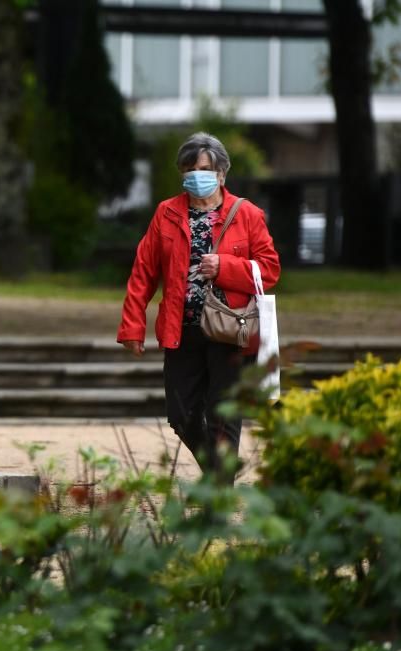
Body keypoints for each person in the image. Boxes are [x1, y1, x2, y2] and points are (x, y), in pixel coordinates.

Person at [117, 132, 280, 484]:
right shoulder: (167, 213)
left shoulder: (247, 214)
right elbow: (143, 271)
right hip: (182, 329)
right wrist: (132, 326)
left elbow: (269, 270)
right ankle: (219, 474)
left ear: (221, 173)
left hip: (230, 330)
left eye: (204, 169)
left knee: (224, 415)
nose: (196, 176)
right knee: (181, 414)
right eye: (189, 169)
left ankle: (218, 491)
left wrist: (225, 267)